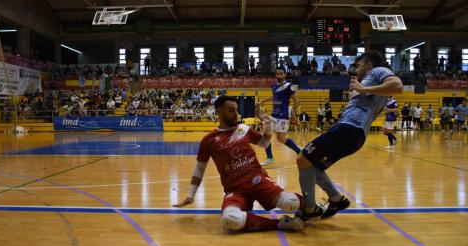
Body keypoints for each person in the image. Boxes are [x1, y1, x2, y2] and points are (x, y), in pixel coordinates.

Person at [295, 51, 403, 221]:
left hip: (350, 129)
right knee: (313, 167)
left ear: (369, 64)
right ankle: (337, 200)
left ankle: (310, 209)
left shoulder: (378, 71)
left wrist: (363, 88)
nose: (356, 68)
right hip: (352, 133)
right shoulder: (369, 81)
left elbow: (398, 86)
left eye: (359, 65)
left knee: (302, 159)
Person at [173, 96, 305, 232]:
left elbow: (264, 143)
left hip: (257, 180)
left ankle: (314, 208)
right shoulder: (209, 140)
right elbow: (199, 170)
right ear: (219, 112)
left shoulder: (242, 128)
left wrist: (269, 125)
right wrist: (190, 195)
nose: (236, 114)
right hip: (235, 189)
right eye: (231, 110)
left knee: (290, 203)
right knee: (229, 219)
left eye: (236, 110)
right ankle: (280, 224)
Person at [257, 67, 300, 166]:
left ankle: (299, 151)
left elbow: (296, 101)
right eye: (277, 74)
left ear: (285, 74)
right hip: (273, 115)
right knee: (266, 135)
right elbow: (273, 96)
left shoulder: (290, 86)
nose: (279, 76)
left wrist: (293, 114)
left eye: (281, 74)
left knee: (281, 139)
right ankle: (270, 157)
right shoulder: (274, 86)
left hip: (283, 116)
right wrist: (262, 101)